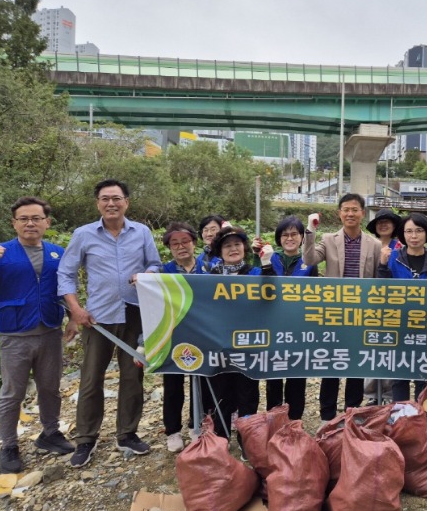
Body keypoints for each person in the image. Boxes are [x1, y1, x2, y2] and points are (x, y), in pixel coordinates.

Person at [58, 179, 162, 468]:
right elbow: (66, 273)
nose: (111, 203)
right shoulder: (83, 234)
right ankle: (86, 439)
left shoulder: (141, 232)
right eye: (105, 198)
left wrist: (146, 274)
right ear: (98, 204)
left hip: (134, 314)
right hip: (97, 318)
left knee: (132, 377)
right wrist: (76, 310)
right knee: (91, 379)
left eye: (116, 198)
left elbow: (155, 264)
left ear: (126, 202)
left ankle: (127, 434)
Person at [0, 197, 75, 473]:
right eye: (24, 219)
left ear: (47, 222)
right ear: (14, 223)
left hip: (50, 330)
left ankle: (50, 433)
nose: (30, 223)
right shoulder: (0, 253)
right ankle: (9, 445)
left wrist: (73, 318)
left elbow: (66, 287)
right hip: (15, 334)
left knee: (50, 387)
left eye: (36, 218)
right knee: (12, 393)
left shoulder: (57, 252)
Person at [302, 193, 382, 423]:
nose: (350, 213)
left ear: (362, 213)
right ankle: (327, 415)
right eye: (346, 209)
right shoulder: (328, 240)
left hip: (361, 313)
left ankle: (352, 413)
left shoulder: (374, 244)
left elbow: (379, 278)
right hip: (334, 313)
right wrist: (310, 230)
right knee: (331, 363)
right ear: (339, 213)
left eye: (354, 209)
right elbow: (309, 260)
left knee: (356, 364)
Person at [204, 225, 275, 440]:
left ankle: (248, 442)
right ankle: (221, 440)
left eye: (237, 244)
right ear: (219, 250)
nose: (233, 249)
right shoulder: (209, 276)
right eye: (227, 245)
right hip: (219, 344)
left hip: (249, 344)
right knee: (221, 394)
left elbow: (272, 293)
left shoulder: (254, 272)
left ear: (244, 247)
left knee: (248, 394)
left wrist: (267, 263)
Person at [378, 213, 427, 402]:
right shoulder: (393, 257)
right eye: (409, 231)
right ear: (403, 234)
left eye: (419, 230)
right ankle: (401, 413)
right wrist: (382, 265)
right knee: (399, 375)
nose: (414, 236)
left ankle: (421, 414)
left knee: (424, 374)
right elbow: (381, 290)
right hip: (399, 325)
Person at [159, 222, 206, 453]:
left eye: (185, 241)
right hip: (173, 336)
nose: (181, 247)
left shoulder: (208, 269)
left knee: (203, 381)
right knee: (173, 384)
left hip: (204, 334)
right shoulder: (162, 272)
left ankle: (197, 424)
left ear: (194, 243)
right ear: (170, 248)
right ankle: (173, 431)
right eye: (175, 243)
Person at [266, 216, 318, 420]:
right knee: (273, 375)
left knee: (297, 375)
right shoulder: (270, 258)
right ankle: (274, 418)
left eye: (294, 234)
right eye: (285, 234)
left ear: (301, 237)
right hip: (273, 326)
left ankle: (294, 420)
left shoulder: (309, 262)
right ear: (279, 238)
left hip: (299, 327)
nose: (289, 238)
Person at [363, 208, 402, 405]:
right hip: (370, 301)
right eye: (380, 222)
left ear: (394, 226)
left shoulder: (400, 247)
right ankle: (371, 395)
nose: (383, 225)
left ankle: (387, 395)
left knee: (390, 347)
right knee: (370, 346)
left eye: (388, 222)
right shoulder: (369, 245)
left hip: (394, 303)